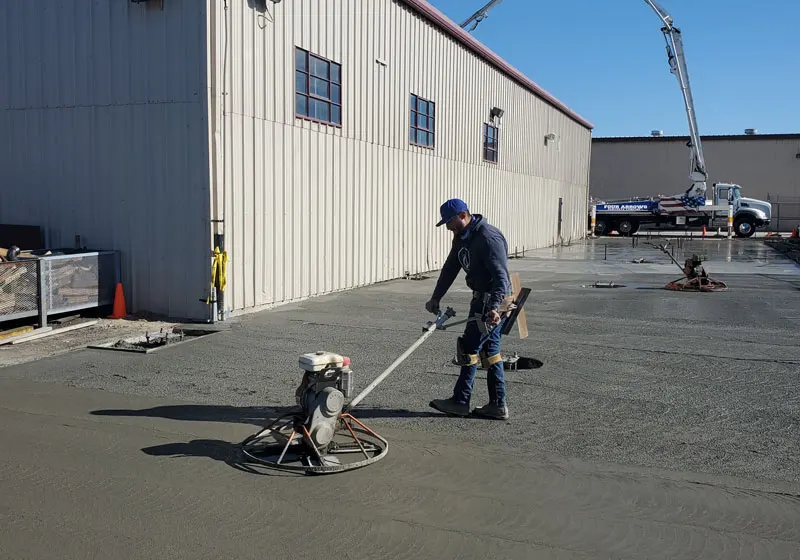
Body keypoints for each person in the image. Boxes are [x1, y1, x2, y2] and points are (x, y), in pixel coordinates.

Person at [425, 198, 513, 420]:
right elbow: (450, 268)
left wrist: (495, 308)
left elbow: (501, 277)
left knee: (469, 349)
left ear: (463, 215)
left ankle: (460, 401)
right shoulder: (462, 237)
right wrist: (436, 296)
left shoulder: (487, 237)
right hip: (481, 299)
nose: (448, 227)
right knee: (490, 354)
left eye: (450, 221)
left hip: (494, 300)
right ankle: (497, 405)